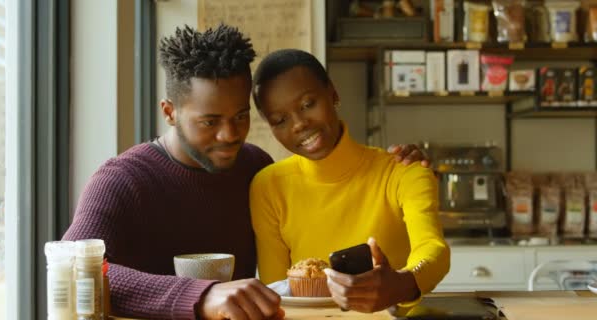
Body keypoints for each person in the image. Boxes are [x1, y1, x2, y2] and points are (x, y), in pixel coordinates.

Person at [62, 25, 429, 320]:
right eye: (209, 122)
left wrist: (396, 163)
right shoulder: (123, 179)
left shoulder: (255, 167)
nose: (230, 135)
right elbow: (74, 267)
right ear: (169, 112)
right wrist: (202, 296)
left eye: (240, 116)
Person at [249, 49, 450, 315]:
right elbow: (278, 293)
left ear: (333, 93)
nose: (298, 124)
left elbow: (433, 249)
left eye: (308, 104)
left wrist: (403, 284)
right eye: (280, 120)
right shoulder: (268, 187)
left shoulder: (404, 171)